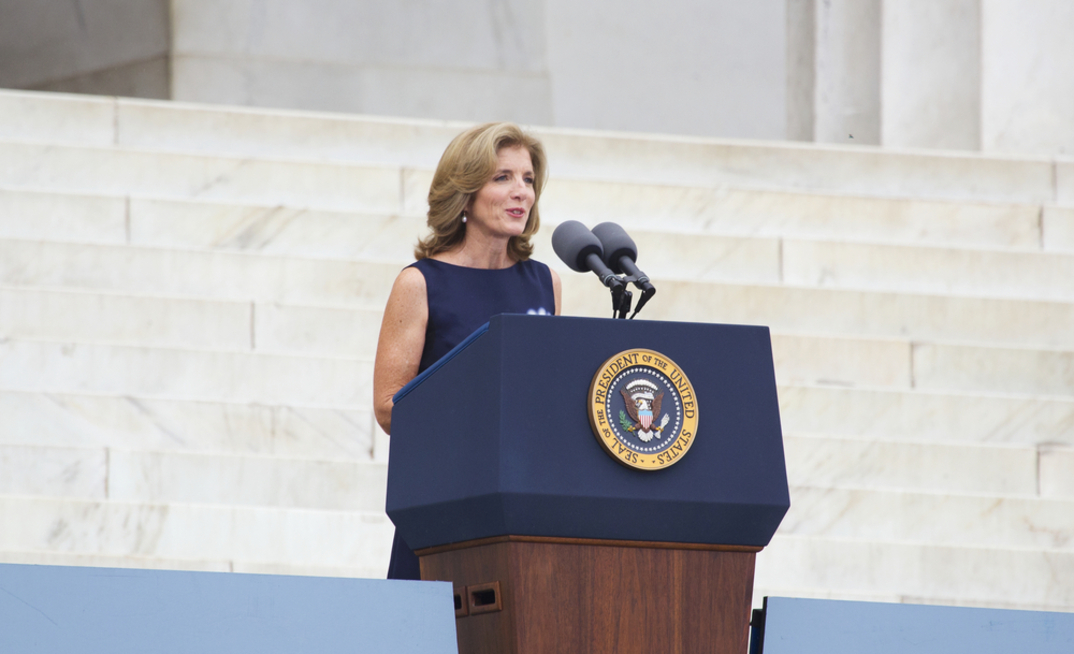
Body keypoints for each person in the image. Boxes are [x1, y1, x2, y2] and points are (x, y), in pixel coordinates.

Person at [372, 122, 562, 580]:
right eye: (503, 178)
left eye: (528, 179)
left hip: (523, 503)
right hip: (445, 501)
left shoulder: (545, 282)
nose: (522, 192)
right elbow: (389, 408)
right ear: (465, 191)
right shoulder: (420, 283)